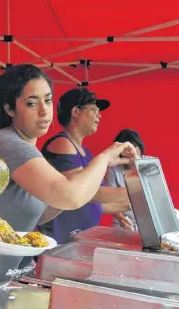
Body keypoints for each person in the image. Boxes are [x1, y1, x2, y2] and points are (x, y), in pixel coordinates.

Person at [0, 64, 138, 305]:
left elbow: (45, 211)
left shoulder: (30, 151)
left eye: (48, 101)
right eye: (32, 103)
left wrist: (77, 192)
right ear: (10, 109)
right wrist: (105, 159)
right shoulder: (7, 143)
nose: (44, 112)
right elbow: (69, 195)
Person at [37, 88, 134, 244]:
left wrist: (133, 203)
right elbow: (85, 193)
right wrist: (137, 190)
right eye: (94, 109)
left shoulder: (86, 152)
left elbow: (94, 203)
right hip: (57, 242)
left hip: (75, 242)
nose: (99, 115)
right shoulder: (63, 143)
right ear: (75, 111)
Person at [106, 129, 147, 231]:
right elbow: (109, 201)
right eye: (128, 156)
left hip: (148, 221)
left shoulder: (150, 165)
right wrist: (122, 220)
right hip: (123, 222)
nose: (132, 159)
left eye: (135, 154)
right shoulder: (113, 169)